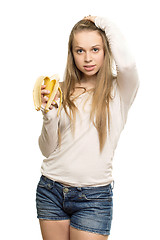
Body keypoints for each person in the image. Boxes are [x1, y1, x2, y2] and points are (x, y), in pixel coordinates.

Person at [36, 15, 139, 240]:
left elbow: (128, 64)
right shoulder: (59, 89)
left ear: (106, 50)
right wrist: (49, 115)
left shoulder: (120, 89)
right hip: (51, 190)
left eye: (95, 49)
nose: (88, 58)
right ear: (71, 54)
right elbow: (46, 149)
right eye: (80, 50)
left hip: (94, 198)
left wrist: (103, 22)